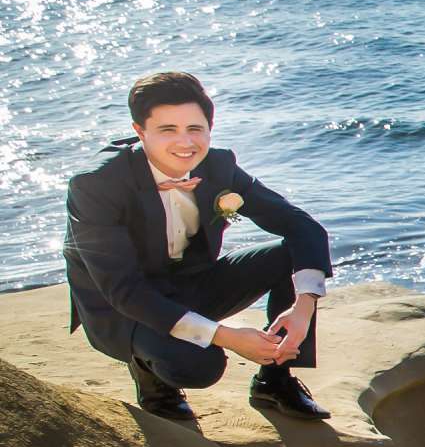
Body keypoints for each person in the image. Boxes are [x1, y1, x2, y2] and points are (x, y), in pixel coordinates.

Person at [64, 70, 332, 422]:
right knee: (200, 364)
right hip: (123, 307)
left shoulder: (219, 166)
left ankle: (275, 380)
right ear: (139, 132)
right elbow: (123, 291)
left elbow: (302, 225)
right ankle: (149, 372)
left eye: (195, 129)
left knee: (293, 255)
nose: (185, 143)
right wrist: (227, 336)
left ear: (209, 128)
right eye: (167, 130)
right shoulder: (95, 185)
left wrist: (303, 308)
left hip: (189, 282)